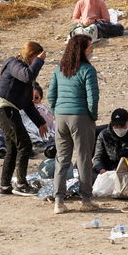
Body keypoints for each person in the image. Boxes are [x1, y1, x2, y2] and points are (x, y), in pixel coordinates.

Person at [46, 33, 99, 214]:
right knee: (84, 158)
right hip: (81, 117)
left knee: (62, 159)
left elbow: (51, 96)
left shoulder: (59, 69)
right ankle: (86, 199)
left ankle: (59, 201)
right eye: (89, 47)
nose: (91, 50)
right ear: (81, 50)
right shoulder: (88, 70)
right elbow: (93, 98)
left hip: (60, 117)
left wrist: (56, 112)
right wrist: (92, 116)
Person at [0, 40, 45, 195]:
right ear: (32, 55)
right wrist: (40, 60)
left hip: (8, 110)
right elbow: (27, 76)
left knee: (13, 148)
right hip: (4, 109)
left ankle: (5, 186)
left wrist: (40, 123)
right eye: (37, 58)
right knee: (25, 145)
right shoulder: (14, 63)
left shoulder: (24, 73)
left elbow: (28, 104)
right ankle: (21, 184)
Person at [94, 108, 128, 173]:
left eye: (122, 126)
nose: (119, 129)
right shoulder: (103, 136)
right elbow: (97, 158)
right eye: (116, 126)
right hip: (107, 170)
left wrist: (123, 170)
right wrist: (102, 170)